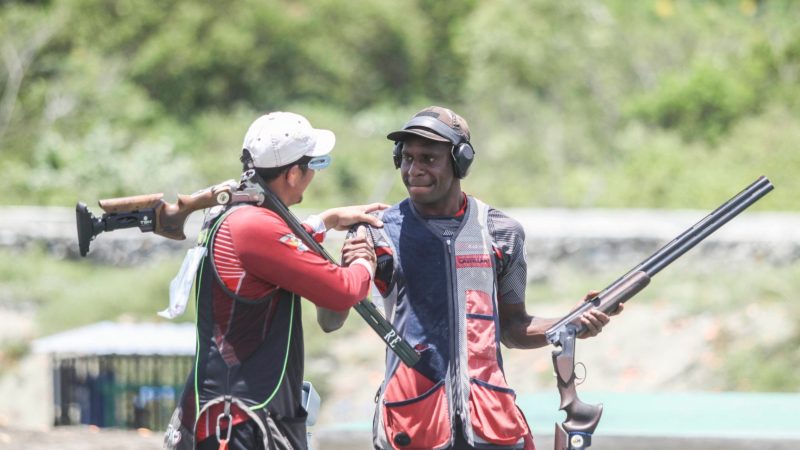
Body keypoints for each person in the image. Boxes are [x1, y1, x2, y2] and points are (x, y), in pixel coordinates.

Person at [339, 106, 620, 450]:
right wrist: (347, 269)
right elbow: (332, 317)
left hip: (489, 426)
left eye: (428, 158)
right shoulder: (378, 232)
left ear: (460, 161)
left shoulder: (502, 232)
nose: (414, 170)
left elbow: (514, 330)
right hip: (414, 426)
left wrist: (570, 322)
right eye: (407, 158)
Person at [164, 111, 384, 450]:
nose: (315, 174)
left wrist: (325, 222)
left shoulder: (236, 216)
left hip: (230, 418)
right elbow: (342, 291)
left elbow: (274, 257)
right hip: (240, 425)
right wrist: (364, 259)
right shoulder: (255, 226)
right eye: (316, 164)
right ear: (294, 173)